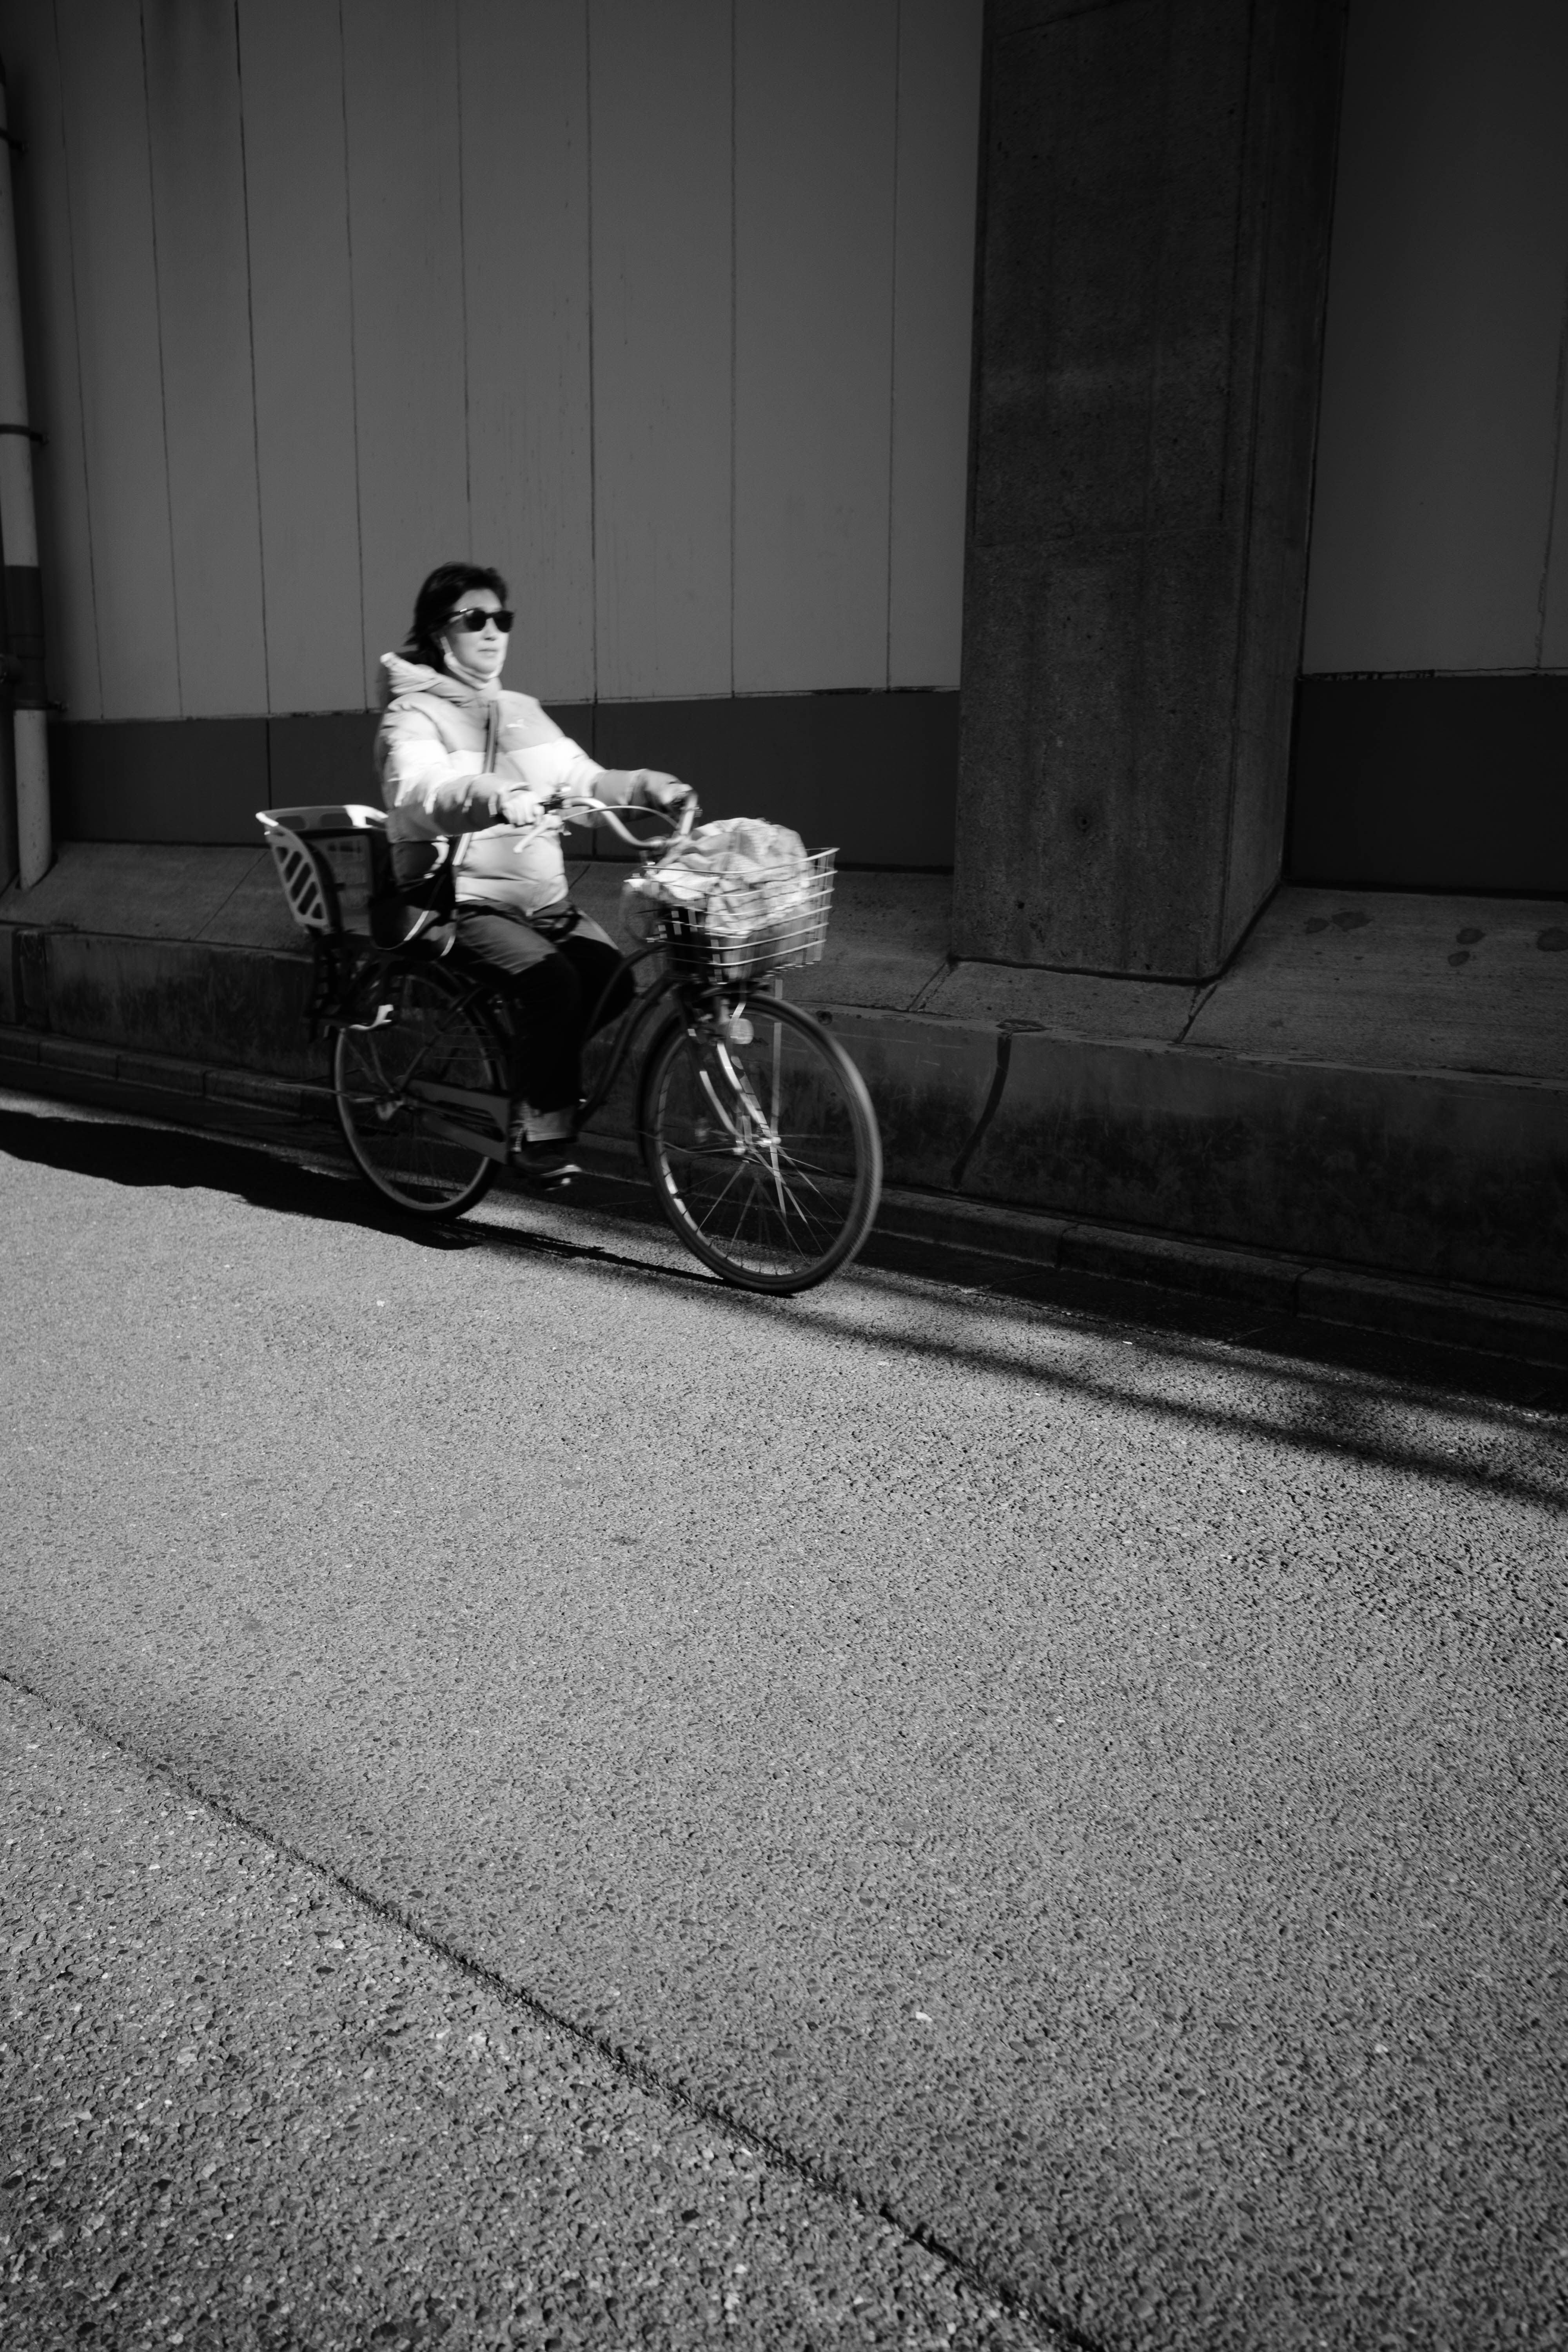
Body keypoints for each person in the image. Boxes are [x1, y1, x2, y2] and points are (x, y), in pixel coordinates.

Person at [375, 562, 691, 1178]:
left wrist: (649, 788)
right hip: (460, 901)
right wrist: (494, 794)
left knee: (612, 981)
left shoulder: (521, 711)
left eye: (503, 619)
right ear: (440, 633)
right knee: (555, 984)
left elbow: (580, 778)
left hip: (543, 904)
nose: (493, 631)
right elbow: (421, 790)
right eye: (475, 619)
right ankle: (540, 1129)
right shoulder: (412, 715)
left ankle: (533, 1075)